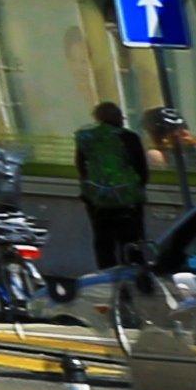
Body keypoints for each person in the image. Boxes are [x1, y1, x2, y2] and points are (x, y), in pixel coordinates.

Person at [74, 100, 153, 282]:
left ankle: (107, 280)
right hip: (128, 199)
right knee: (133, 242)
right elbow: (141, 169)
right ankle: (137, 279)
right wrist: (137, 189)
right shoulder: (129, 138)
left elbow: (81, 167)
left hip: (98, 201)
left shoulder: (85, 138)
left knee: (104, 243)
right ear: (118, 118)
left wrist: (92, 192)